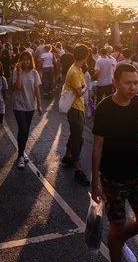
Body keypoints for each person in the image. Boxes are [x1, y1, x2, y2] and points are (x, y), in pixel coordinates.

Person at [91, 64, 138, 262]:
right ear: (115, 83)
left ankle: (119, 240)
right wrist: (95, 184)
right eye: (128, 83)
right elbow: (97, 147)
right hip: (113, 177)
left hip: (137, 172)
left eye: (136, 83)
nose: (133, 87)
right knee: (116, 224)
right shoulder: (104, 108)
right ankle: (117, 249)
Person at [61, 44, 90, 186]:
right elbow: (80, 91)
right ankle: (77, 169)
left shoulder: (77, 69)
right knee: (78, 137)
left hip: (78, 107)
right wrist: (85, 87)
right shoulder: (74, 71)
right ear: (85, 57)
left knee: (74, 133)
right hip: (75, 108)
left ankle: (67, 156)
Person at [13, 51, 43, 169]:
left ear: (31, 60)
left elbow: (37, 90)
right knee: (23, 129)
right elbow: (18, 86)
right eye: (23, 59)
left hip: (30, 105)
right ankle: (20, 156)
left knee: (26, 131)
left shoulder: (34, 73)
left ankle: (22, 151)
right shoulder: (16, 72)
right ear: (20, 60)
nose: (25, 61)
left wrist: (39, 105)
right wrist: (20, 72)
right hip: (18, 105)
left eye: (27, 59)